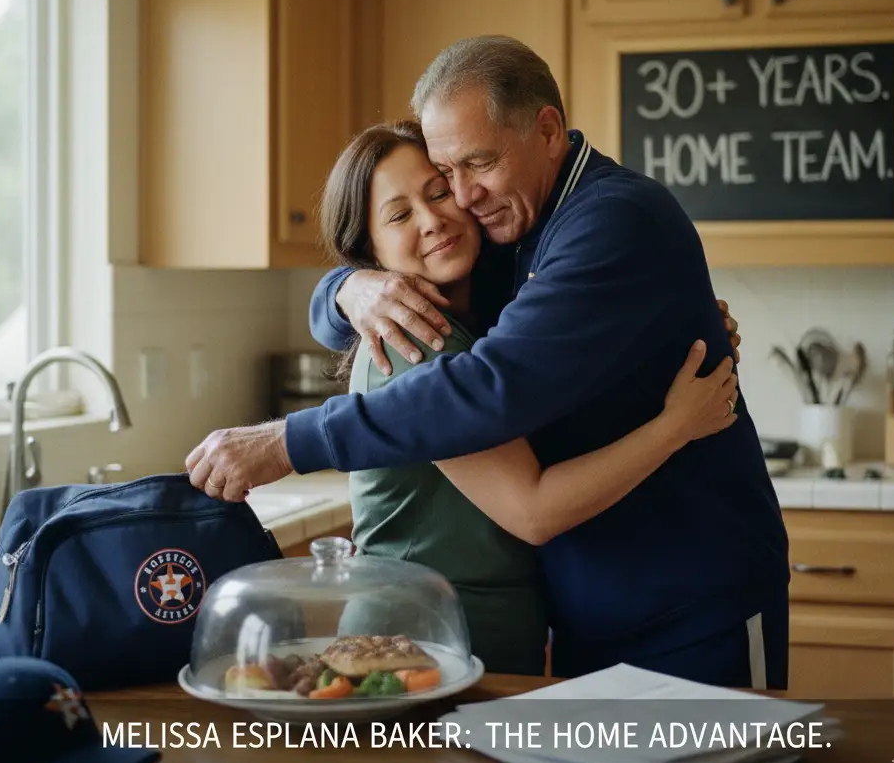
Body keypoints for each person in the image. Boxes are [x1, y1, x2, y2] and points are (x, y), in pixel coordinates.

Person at [186, 35, 791, 690]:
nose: (463, 198)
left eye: (477, 163)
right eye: (449, 173)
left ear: (549, 130)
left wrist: (292, 438)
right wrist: (344, 289)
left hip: (692, 606)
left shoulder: (611, 223)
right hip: (584, 612)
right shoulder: (508, 236)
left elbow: (491, 388)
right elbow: (373, 288)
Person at [307, 119, 740, 675]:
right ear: (370, 250)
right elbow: (533, 512)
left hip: (482, 637)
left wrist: (669, 333)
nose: (433, 218)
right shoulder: (413, 343)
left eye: (439, 191)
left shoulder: (490, 309)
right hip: (416, 641)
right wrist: (676, 426)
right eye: (399, 214)